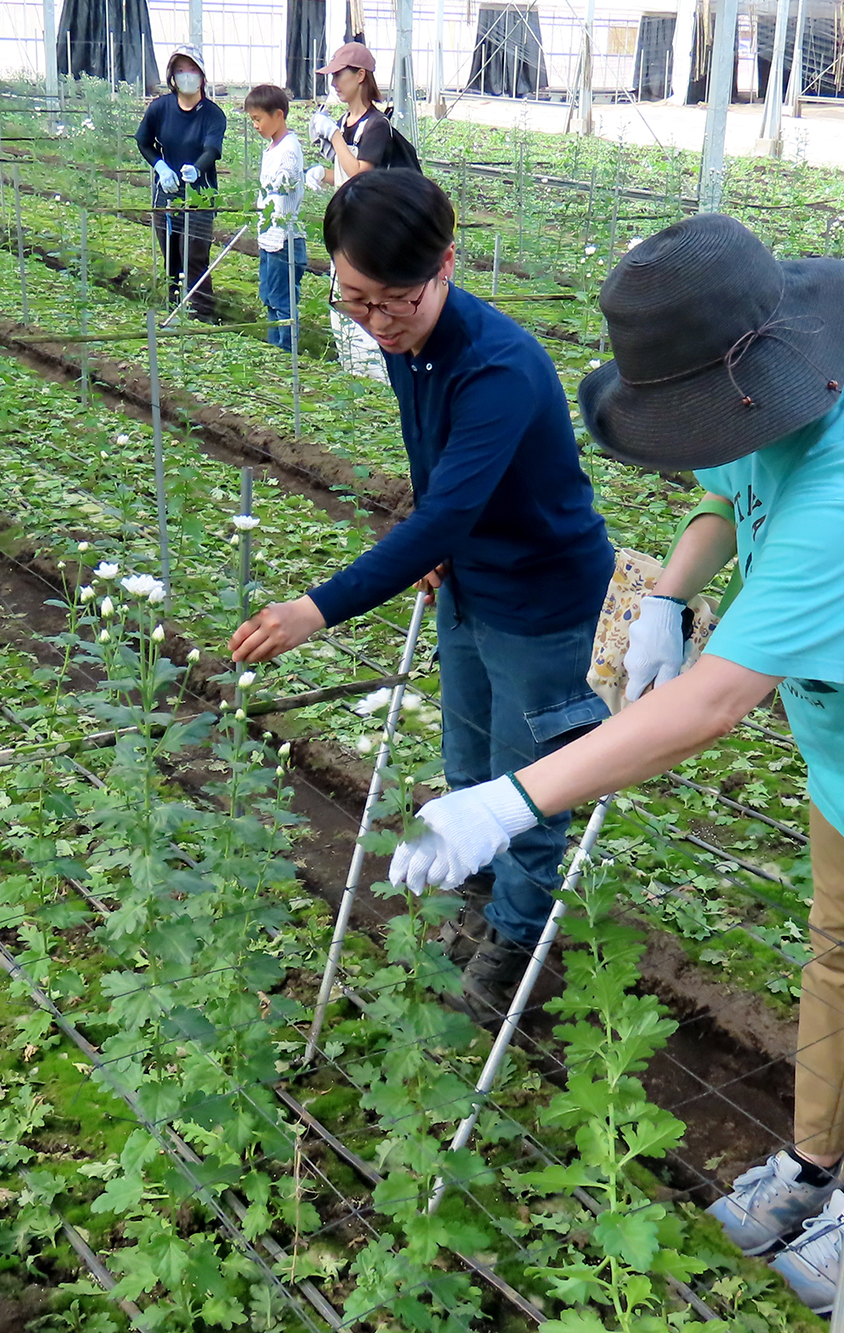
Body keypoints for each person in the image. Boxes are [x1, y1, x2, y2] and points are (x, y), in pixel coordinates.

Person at [381, 214, 844, 1313]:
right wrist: (669, 594)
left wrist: (509, 798)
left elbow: (716, 699)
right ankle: (813, 1163)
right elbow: (727, 492)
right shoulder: (777, 387)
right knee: (842, 949)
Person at [227, 170, 615, 1018]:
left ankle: (518, 943)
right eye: (352, 299)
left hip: (541, 598)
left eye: (390, 301)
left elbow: (443, 508)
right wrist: (443, 541)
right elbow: (435, 475)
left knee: (527, 779)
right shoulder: (412, 344)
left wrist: (315, 608)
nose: (372, 321)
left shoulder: (499, 366)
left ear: (445, 264)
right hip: (470, 580)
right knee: (466, 761)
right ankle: (471, 903)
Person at [304, 40, 413, 382]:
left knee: (366, 299)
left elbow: (363, 172)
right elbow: (346, 173)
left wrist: (335, 137)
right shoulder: (345, 121)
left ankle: (378, 376)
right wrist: (323, 173)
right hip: (348, 222)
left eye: (339, 75)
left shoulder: (375, 125)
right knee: (343, 298)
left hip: (370, 229)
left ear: (361, 75)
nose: (334, 82)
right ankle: (354, 370)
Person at [135, 45, 227, 322]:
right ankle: (175, 305)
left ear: (202, 75)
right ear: (172, 76)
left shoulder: (212, 114)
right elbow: (143, 141)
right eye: (180, 70)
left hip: (199, 195)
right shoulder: (160, 108)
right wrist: (160, 167)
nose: (186, 76)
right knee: (172, 253)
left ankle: (201, 311)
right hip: (167, 193)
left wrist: (197, 170)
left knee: (195, 255)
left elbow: (211, 149)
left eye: (191, 70)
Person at [244, 84, 308, 351]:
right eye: (253, 120)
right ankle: (274, 349)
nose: (255, 125)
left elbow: (287, 180)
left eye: (258, 119)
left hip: (285, 240)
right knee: (269, 296)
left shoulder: (289, 149)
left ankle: (286, 354)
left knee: (283, 301)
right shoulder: (272, 146)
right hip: (269, 237)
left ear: (279, 115)